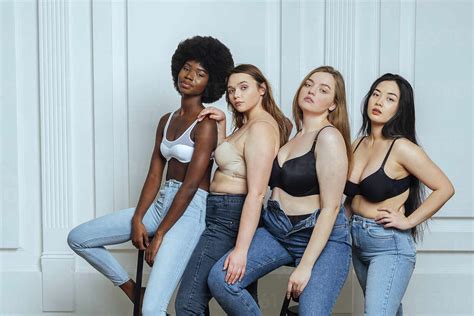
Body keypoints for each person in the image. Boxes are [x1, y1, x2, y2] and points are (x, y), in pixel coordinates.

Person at [67, 36, 234, 316]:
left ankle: (147, 300)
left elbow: (192, 184)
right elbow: (155, 174)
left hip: (190, 211)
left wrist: (161, 235)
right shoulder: (166, 120)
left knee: (153, 311)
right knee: (79, 238)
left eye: (200, 73)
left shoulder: (205, 125)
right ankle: (134, 291)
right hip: (163, 202)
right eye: (187, 68)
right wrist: (138, 219)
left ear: (211, 82)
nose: (189, 76)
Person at [207, 66, 352, 315]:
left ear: (333, 104)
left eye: (323, 90)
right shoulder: (291, 134)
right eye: (308, 84)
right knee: (222, 280)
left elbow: (332, 208)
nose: (311, 91)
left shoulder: (329, 137)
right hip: (277, 229)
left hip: (321, 237)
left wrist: (305, 267)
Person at [175, 64, 291, 315]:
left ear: (262, 90)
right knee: (240, 298)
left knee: (188, 303)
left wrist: (241, 250)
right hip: (223, 213)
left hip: (231, 216)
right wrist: (223, 126)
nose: (236, 95)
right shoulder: (248, 124)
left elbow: (257, 193)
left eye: (243, 88)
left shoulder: (261, 128)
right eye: (230, 91)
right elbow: (234, 162)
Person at [344, 73, 455, 315]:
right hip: (357, 240)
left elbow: (445, 188)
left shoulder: (402, 147)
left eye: (390, 98)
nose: (379, 101)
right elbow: (352, 199)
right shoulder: (357, 143)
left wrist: (408, 221)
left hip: (388, 244)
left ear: (400, 109)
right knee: (387, 310)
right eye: (376, 94)